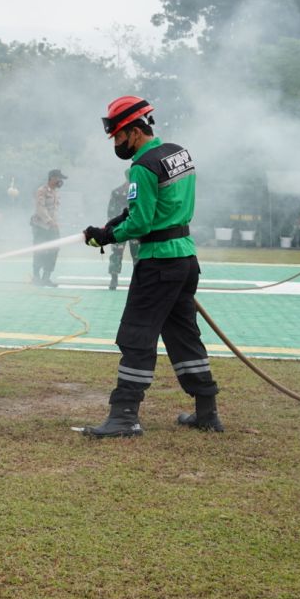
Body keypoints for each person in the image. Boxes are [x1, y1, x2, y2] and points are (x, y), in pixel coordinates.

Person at [80, 96, 222, 438]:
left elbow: (141, 223)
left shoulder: (142, 166)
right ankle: (207, 410)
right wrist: (110, 226)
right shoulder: (177, 153)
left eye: (118, 136)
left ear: (133, 130)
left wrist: (106, 237)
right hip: (185, 259)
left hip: (158, 262)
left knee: (137, 335)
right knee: (184, 335)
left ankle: (124, 416)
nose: (116, 143)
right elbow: (150, 209)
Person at [30, 169, 66, 286]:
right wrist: (49, 221)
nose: (60, 181)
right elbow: (40, 208)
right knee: (40, 250)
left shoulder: (56, 192)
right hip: (41, 226)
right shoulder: (42, 191)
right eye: (59, 178)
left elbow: (55, 210)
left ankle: (46, 277)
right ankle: (36, 277)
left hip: (52, 227)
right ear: (52, 178)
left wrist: (56, 222)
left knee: (54, 249)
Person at [106, 170, 138, 290]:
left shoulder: (118, 191)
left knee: (134, 255)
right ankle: (115, 279)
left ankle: (115, 280)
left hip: (128, 228)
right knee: (130, 255)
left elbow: (110, 212)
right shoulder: (118, 192)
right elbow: (111, 211)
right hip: (127, 228)